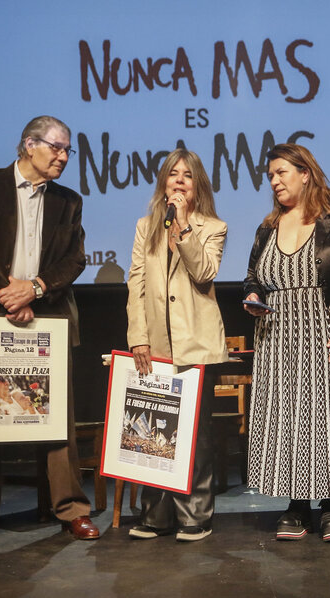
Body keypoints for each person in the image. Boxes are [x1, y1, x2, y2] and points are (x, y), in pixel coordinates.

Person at [0, 115, 99, 545]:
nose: (63, 156)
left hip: (45, 316)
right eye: (56, 147)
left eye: (68, 149)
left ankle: (70, 509)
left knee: (55, 419)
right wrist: (4, 293)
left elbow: (74, 259)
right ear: (28, 145)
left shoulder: (68, 200)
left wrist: (33, 289)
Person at [244, 143, 330, 542]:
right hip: (280, 336)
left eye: (282, 172)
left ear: (305, 173)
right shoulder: (267, 227)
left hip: (329, 330)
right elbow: (254, 276)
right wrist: (254, 297)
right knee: (287, 419)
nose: (274, 181)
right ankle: (296, 505)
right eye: (270, 175)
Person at [125, 149, 229, 542]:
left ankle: (195, 516)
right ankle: (155, 515)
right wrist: (138, 336)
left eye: (187, 175)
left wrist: (183, 227)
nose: (180, 180)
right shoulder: (145, 226)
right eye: (173, 174)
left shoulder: (213, 227)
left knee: (195, 435)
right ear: (163, 183)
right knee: (153, 430)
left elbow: (204, 272)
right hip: (155, 344)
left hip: (195, 345)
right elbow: (136, 284)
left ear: (197, 183)